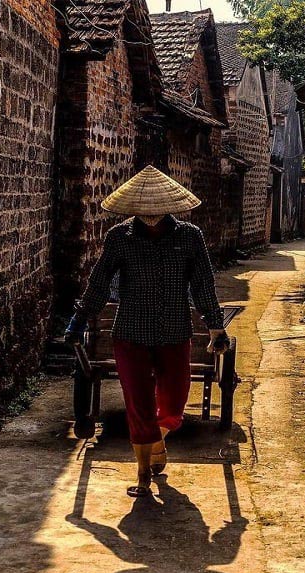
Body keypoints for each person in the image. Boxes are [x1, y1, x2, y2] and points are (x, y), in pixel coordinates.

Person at [65, 165, 229, 498]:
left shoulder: (189, 237)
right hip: (130, 333)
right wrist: (79, 320)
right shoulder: (119, 238)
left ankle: (157, 442)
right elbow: (98, 283)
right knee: (138, 404)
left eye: (157, 211)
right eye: (145, 211)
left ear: (169, 206)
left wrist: (215, 326)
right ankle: (141, 475)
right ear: (135, 209)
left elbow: (203, 285)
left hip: (174, 332)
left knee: (173, 405)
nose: (151, 216)